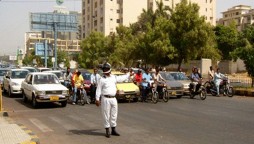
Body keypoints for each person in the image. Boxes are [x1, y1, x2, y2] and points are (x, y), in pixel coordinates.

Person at [95, 62, 132, 138]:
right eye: (104, 68)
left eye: (106, 68)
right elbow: (98, 90)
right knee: (106, 115)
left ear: (109, 69)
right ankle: (107, 130)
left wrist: (128, 74)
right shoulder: (102, 79)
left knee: (114, 114)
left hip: (113, 98)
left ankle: (113, 129)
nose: (105, 70)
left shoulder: (113, 77)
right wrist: (97, 99)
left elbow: (121, 78)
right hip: (105, 98)